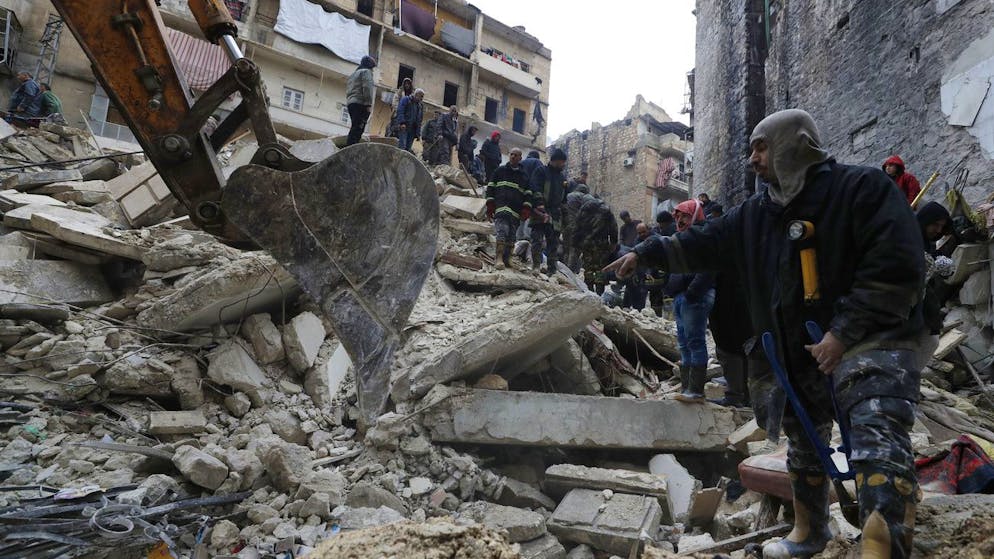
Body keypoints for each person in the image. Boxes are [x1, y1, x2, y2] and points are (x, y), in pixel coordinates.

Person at [605, 109, 927, 559]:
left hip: (873, 341)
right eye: (751, 148)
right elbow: (706, 241)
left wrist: (843, 332)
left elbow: (896, 268)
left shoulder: (862, 190)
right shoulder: (756, 214)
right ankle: (810, 529)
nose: (752, 157)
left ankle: (883, 544)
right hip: (800, 348)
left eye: (761, 146)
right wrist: (647, 252)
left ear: (796, 143)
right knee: (803, 439)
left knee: (875, 434)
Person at [661, 199, 714, 402]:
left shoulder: (703, 236)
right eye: (678, 216)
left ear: (695, 215)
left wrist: (693, 292)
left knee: (695, 342)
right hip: (682, 296)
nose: (680, 220)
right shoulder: (681, 238)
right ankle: (687, 389)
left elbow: (709, 268)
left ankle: (696, 391)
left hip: (695, 296)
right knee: (684, 343)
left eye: (685, 216)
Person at [486, 148, 532, 269]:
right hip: (501, 208)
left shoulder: (524, 176)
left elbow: (528, 194)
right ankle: (499, 258)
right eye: (511, 154)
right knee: (502, 232)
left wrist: (526, 208)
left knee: (512, 236)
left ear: (520, 158)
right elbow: (490, 187)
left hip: (515, 211)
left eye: (516, 155)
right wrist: (490, 204)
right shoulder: (499, 171)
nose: (512, 157)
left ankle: (508, 259)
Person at [529, 148, 569, 275]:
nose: (563, 165)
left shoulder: (562, 177)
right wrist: (539, 205)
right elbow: (535, 188)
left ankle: (552, 269)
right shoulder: (541, 171)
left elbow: (564, 198)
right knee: (537, 239)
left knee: (553, 242)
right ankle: (536, 265)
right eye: (562, 162)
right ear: (556, 161)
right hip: (540, 211)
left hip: (555, 213)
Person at [917, 202, 954, 336]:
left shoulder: (926, 241)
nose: (938, 230)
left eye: (941, 226)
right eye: (936, 225)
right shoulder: (909, 237)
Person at [574, 193, 618, 293]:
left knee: (588, 268)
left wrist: (576, 244)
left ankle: (589, 290)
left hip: (587, 245)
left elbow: (576, 229)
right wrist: (613, 242)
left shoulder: (582, 211)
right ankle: (599, 292)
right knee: (601, 269)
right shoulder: (606, 210)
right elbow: (613, 227)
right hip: (602, 244)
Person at [345, 56, 376, 146]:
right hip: (360, 103)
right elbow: (367, 88)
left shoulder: (354, 74)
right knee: (358, 128)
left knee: (355, 126)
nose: (373, 70)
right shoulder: (367, 72)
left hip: (351, 103)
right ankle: (351, 149)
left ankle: (349, 147)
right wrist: (368, 104)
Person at [562, 183, 592, 272]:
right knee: (575, 249)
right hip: (577, 226)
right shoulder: (584, 197)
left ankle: (564, 269)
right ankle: (570, 271)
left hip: (566, 226)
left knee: (566, 249)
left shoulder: (568, 196)